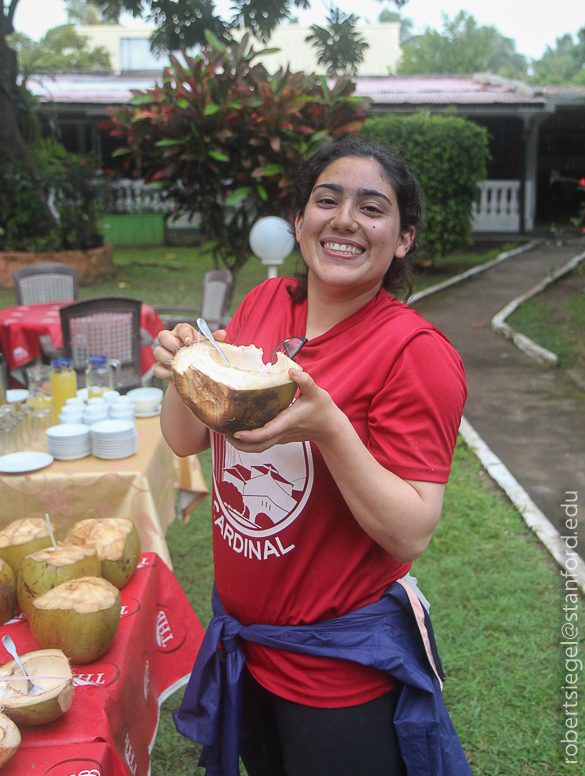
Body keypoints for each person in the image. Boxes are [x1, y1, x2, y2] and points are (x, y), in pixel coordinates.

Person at [154, 136, 469, 776]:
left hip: (337, 665)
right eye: (327, 200)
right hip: (244, 641)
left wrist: (329, 427)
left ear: (403, 238)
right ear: (299, 222)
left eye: (372, 208)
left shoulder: (414, 353)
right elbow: (185, 440)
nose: (345, 219)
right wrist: (186, 373)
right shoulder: (264, 303)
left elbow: (412, 527)